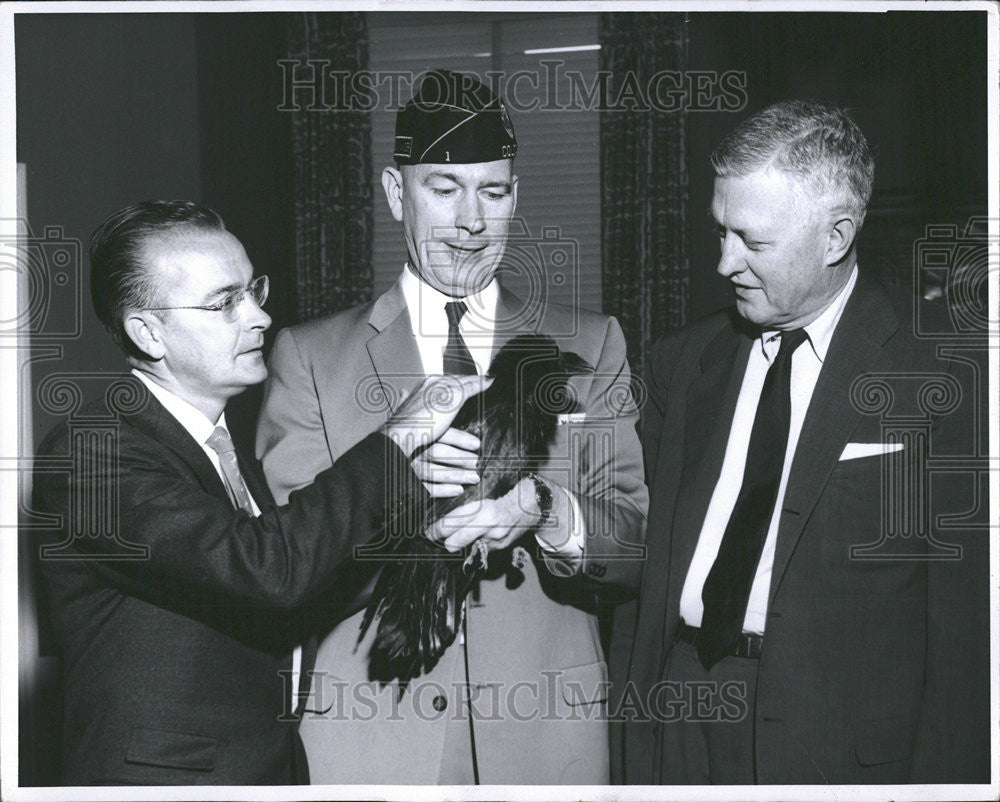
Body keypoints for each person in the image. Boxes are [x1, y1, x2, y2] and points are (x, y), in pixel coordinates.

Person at [256, 70, 648, 784]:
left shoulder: (592, 345)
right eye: (443, 189)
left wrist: (546, 510)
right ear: (394, 192)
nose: (471, 221)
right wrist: (404, 502)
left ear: (515, 197)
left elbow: (634, 540)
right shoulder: (309, 357)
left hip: (546, 737)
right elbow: (288, 566)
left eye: (492, 193)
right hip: (375, 737)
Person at [32, 200, 489, 785]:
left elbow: (296, 593)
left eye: (254, 291)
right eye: (224, 303)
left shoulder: (217, 447)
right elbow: (266, 572)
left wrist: (419, 511)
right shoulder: (90, 451)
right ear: (147, 332)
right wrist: (396, 441)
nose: (260, 318)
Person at [616, 100, 989, 784]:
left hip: (836, 744)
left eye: (752, 242)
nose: (724, 262)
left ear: (836, 236)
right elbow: (638, 554)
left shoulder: (944, 367)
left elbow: (968, 631)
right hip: (681, 720)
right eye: (720, 232)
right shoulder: (681, 363)